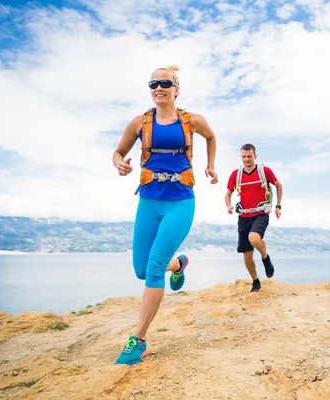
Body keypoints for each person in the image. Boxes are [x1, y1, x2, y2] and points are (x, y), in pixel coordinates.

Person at [112, 65, 218, 365]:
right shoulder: (139, 123)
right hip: (148, 202)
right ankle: (180, 263)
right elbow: (117, 152)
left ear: (176, 89)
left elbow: (211, 137)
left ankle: (139, 340)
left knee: (154, 268)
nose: (159, 88)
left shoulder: (193, 120)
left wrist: (210, 166)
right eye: (153, 84)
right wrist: (119, 164)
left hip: (180, 203)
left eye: (165, 83)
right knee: (142, 270)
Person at [224, 144, 283, 292]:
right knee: (247, 254)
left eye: (249, 156)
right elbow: (228, 194)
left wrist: (278, 206)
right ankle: (256, 281)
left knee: (254, 238)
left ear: (255, 156)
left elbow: (278, 185)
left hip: (261, 213)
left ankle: (265, 257)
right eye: (244, 156)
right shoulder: (236, 175)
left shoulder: (264, 171)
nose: (247, 159)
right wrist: (229, 205)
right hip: (244, 216)